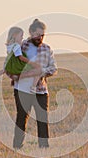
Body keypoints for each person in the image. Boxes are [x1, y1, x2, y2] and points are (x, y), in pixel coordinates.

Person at [12, 19, 57, 149]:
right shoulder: (22, 46)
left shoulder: (47, 49)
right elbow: (12, 63)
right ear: (31, 32)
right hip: (22, 89)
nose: (40, 37)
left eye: (43, 35)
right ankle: (17, 146)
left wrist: (41, 72)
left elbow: (53, 68)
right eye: (38, 34)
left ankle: (44, 147)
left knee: (42, 119)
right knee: (21, 118)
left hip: (41, 90)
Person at [4, 26, 42, 93]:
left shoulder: (9, 46)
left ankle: (16, 77)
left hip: (12, 66)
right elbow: (20, 57)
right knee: (38, 69)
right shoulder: (17, 46)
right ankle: (33, 87)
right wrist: (31, 62)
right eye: (21, 35)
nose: (22, 38)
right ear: (15, 35)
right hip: (18, 64)